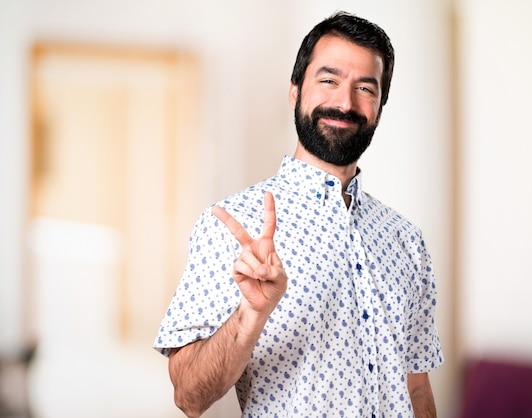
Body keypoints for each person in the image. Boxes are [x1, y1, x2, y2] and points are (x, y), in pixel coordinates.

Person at [154, 11, 444, 418]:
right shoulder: (230, 224)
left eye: (365, 87)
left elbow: (415, 386)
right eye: (328, 80)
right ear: (295, 92)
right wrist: (251, 314)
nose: (345, 102)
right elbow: (188, 395)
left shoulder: (406, 240)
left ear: (380, 106)